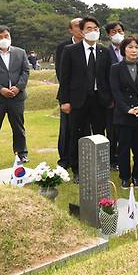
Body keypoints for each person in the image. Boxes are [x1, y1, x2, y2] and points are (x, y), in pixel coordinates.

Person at [58, 16, 112, 182]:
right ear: (81, 31)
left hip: (99, 99)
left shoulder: (105, 51)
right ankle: (77, 169)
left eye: (95, 28)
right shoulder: (70, 51)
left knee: (98, 133)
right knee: (77, 134)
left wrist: (109, 98)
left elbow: (108, 77)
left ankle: (99, 167)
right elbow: (64, 77)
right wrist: (64, 101)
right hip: (77, 100)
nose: (93, 31)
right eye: (88, 28)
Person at [0, 25, 30, 162]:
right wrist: (0, 89)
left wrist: (18, 87)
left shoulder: (20, 52)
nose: (3, 39)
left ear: (10, 36)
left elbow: (25, 71)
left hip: (16, 97)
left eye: (6, 36)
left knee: (18, 127)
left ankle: (22, 153)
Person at [110, 36, 138, 189]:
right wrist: (128, 109)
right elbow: (116, 91)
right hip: (124, 115)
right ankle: (125, 177)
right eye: (130, 47)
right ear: (123, 50)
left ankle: (137, 175)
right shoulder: (116, 68)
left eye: (136, 47)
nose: (134, 50)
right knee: (123, 148)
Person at [54, 17, 83, 169]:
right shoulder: (63, 47)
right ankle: (64, 159)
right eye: (78, 26)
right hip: (69, 95)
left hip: (87, 96)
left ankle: (81, 158)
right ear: (71, 30)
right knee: (66, 128)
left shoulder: (93, 46)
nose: (81, 28)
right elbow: (61, 73)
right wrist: (66, 98)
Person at [105, 21, 126, 171]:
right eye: (113, 31)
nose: (117, 34)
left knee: (125, 132)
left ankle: (123, 158)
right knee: (112, 132)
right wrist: (109, 98)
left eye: (119, 31)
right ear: (108, 35)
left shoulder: (131, 50)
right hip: (112, 100)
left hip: (128, 100)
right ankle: (112, 159)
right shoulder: (105, 53)